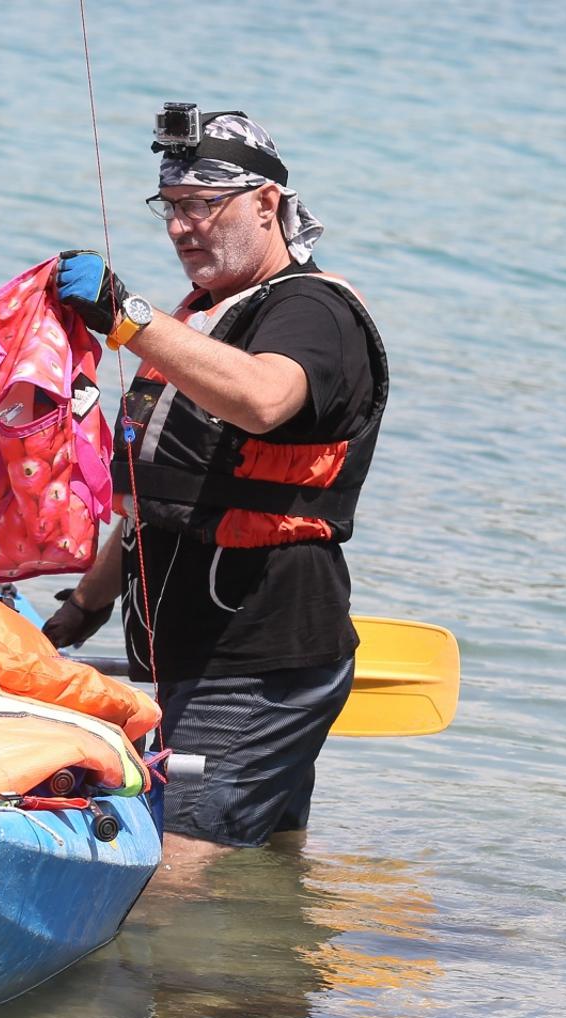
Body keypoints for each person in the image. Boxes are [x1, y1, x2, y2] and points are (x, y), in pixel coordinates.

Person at [42, 110, 389, 855]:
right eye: (171, 207)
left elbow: (264, 400)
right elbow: (163, 499)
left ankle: (196, 974)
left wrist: (125, 316)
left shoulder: (312, 311)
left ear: (267, 203)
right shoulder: (204, 315)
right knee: (261, 865)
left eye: (203, 204)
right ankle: (268, 970)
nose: (180, 227)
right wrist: (83, 606)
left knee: (172, 867)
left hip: (259, 654)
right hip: (194, 648)